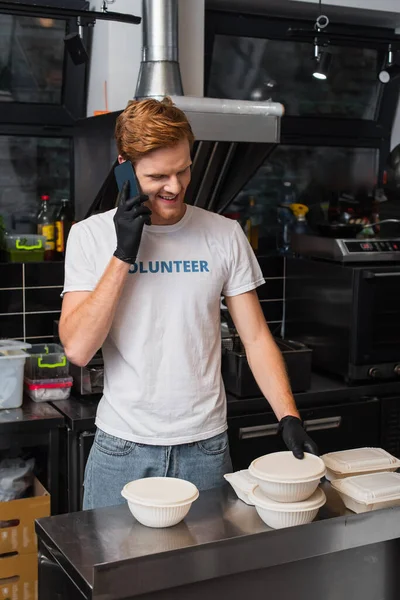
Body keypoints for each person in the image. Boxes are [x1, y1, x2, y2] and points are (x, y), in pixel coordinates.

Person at [60, 97, 317, 510]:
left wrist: (289, 416)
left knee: (204, 573)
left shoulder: (223, 234)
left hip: (207, 449)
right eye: (158, 175)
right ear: (124, 166)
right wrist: (123, 255)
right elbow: (78, 348)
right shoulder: (90, 237)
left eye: (183, 169)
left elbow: (255, 338)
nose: (175, 187)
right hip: (122, 449)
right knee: (115, 572)